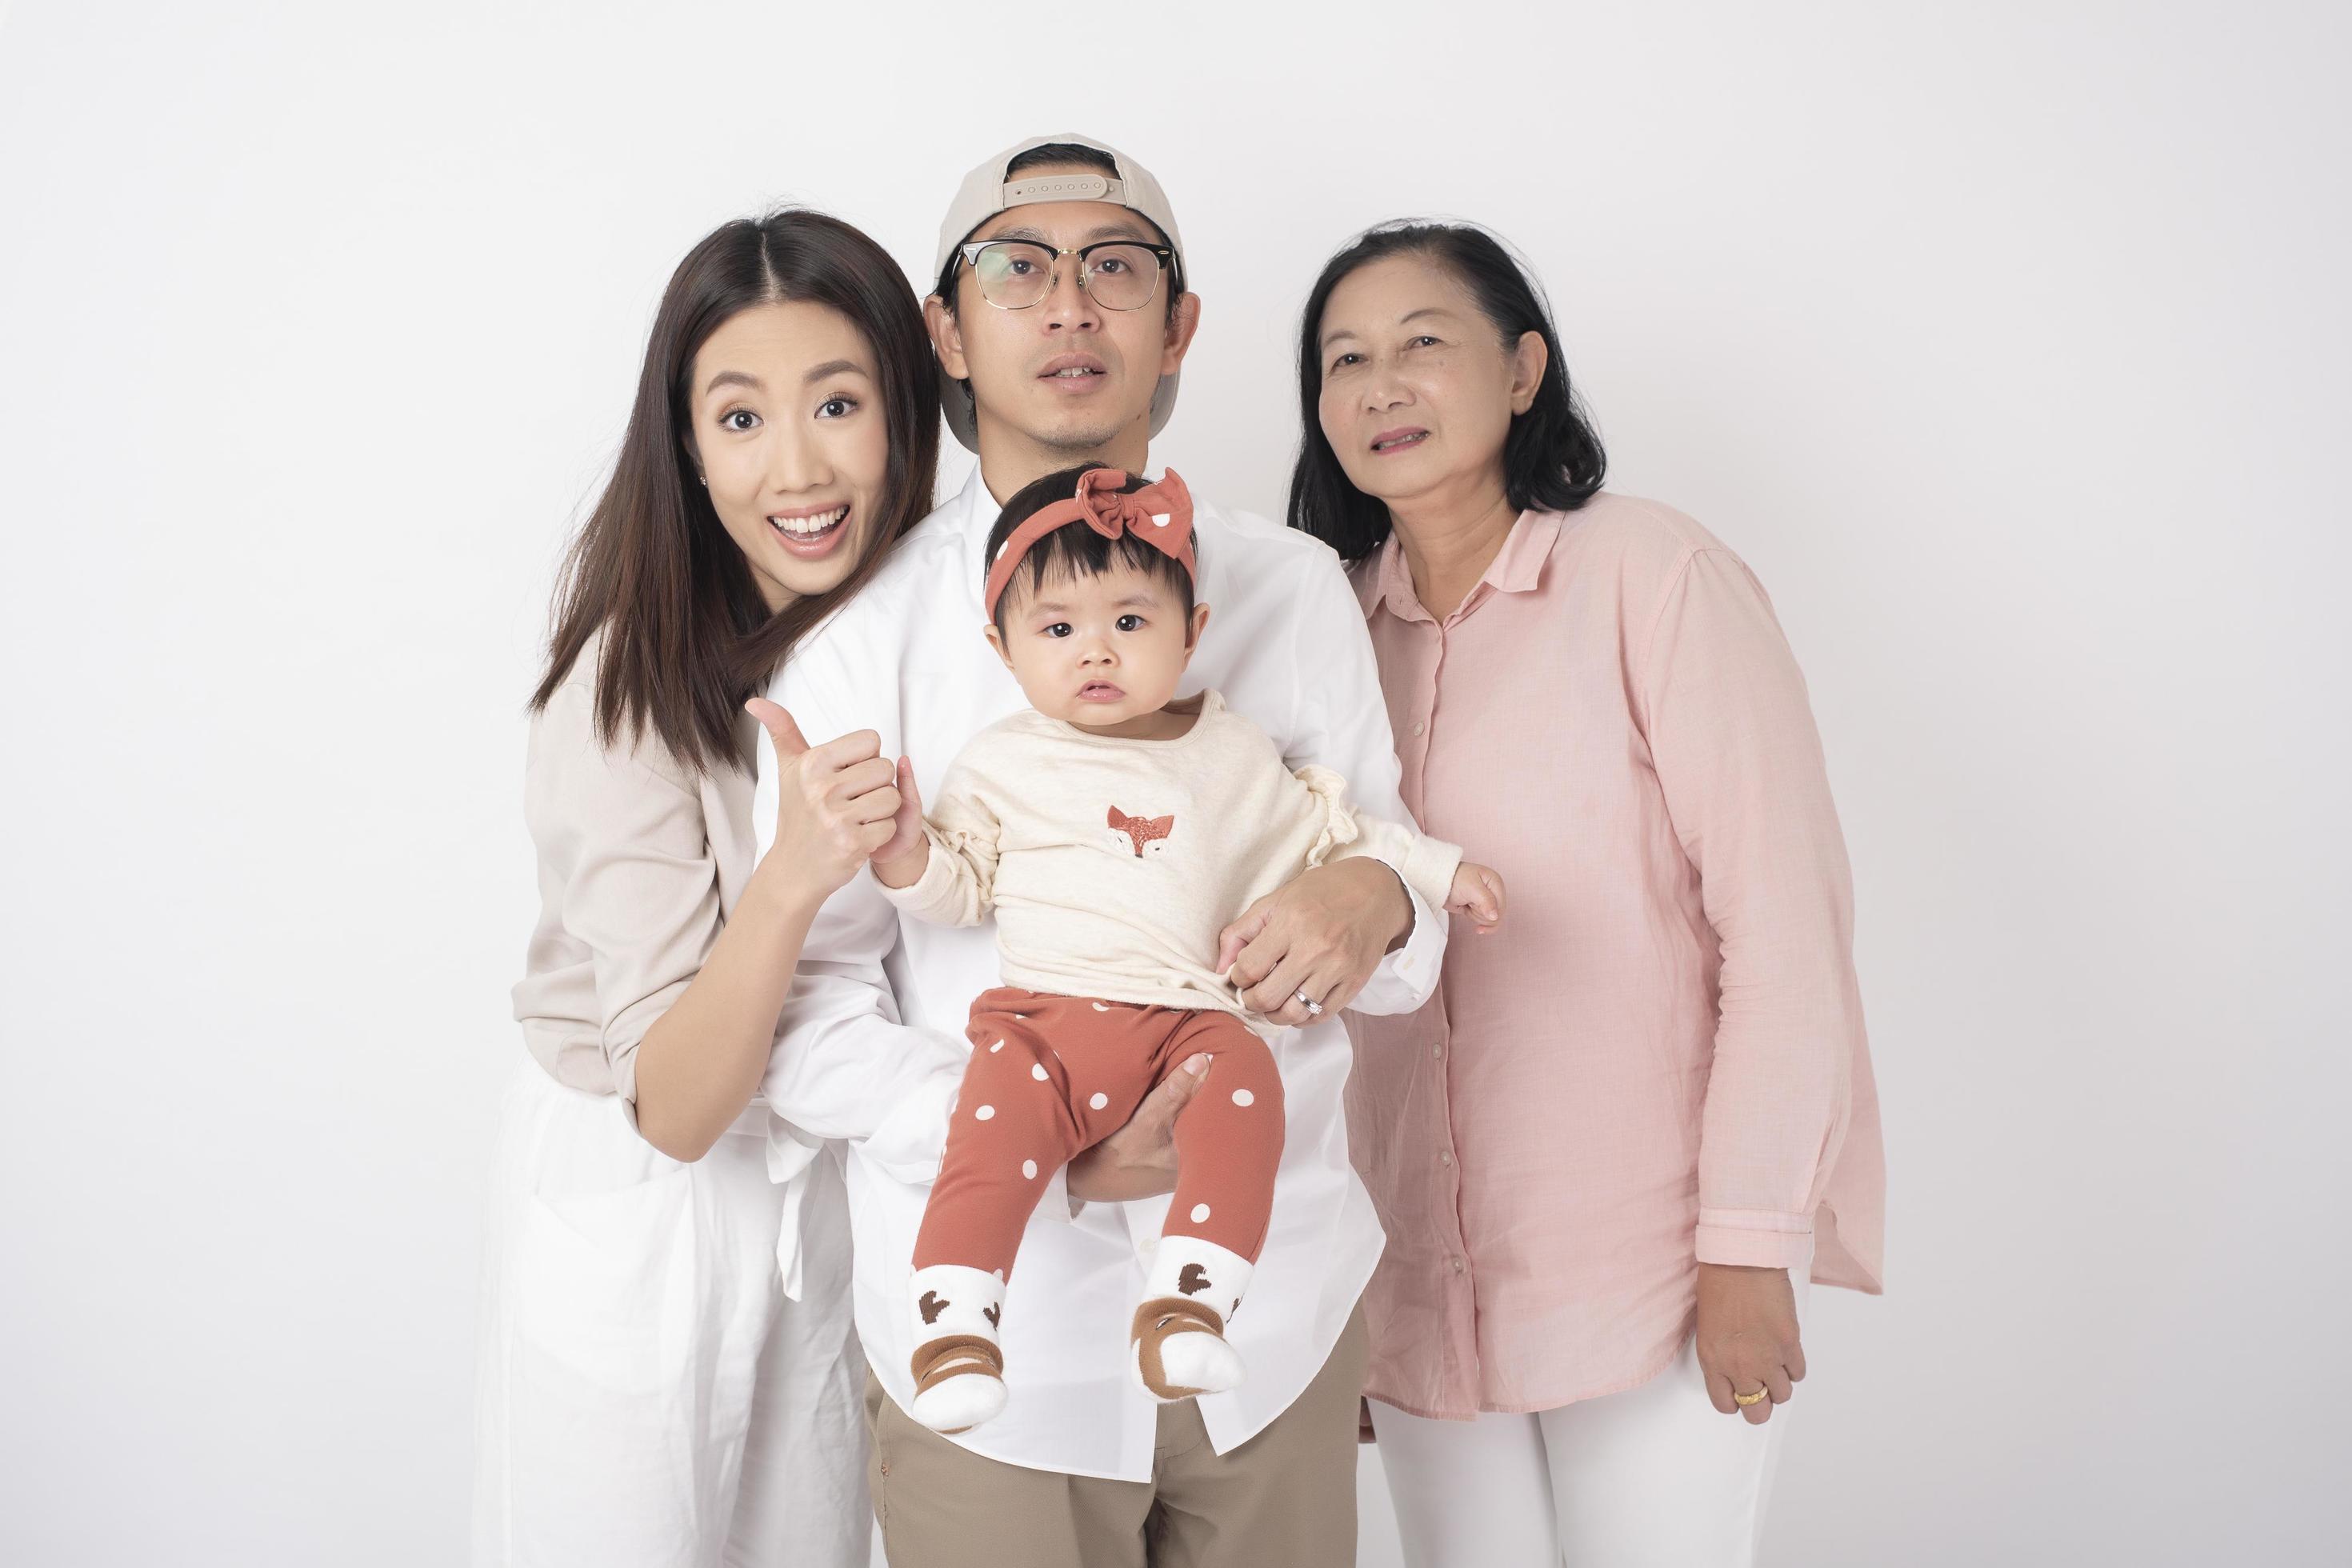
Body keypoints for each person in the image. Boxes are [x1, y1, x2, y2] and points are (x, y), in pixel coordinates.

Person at [751, 135, 1450, 1567]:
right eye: (1019, 269)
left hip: (1275, 1313)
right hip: (998, 1358)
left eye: (1116, 268)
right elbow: (811, 1023)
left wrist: (1374, 895)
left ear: (1179, 325)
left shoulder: (1292, 589)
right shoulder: (860, 643)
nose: (1070, 306)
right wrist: (1047, 1127)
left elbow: (1404, 940)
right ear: (946, 328)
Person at [1289, 219, 1887, 1566]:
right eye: (1345, 361)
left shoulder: (1652, 575)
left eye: (1422, 345)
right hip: (1419, 1276)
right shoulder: (1318, 631)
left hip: (1652, 1261)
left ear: (1522, 372)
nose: (1382, 386)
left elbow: (1785, 930)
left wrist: (1749, 1245)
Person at [474, 208, 939, 1568]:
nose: (797, 467)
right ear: (685, 445)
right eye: (739, 420)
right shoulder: (622, 685)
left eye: (838, 404)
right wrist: (792, 877)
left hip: (830, 1190)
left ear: (907, 414)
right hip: (644, 1188)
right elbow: (674, 1105)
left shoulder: (935, 635)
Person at [864, 462, 1502, 1434]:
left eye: (1130, 621)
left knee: (1249, 1101)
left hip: (1191, 1026)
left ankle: (1191, 1301)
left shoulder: (1234, 754)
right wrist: (907, 850)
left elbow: (1340, 835)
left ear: (1192, 632)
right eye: (1058, 628)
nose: (1096, 652)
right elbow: (959, 887)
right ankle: (955, 1326)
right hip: (1042, 1028)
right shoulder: (1002, 762)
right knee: (986, 1144)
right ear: (1004, 647)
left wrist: (1441, 873)